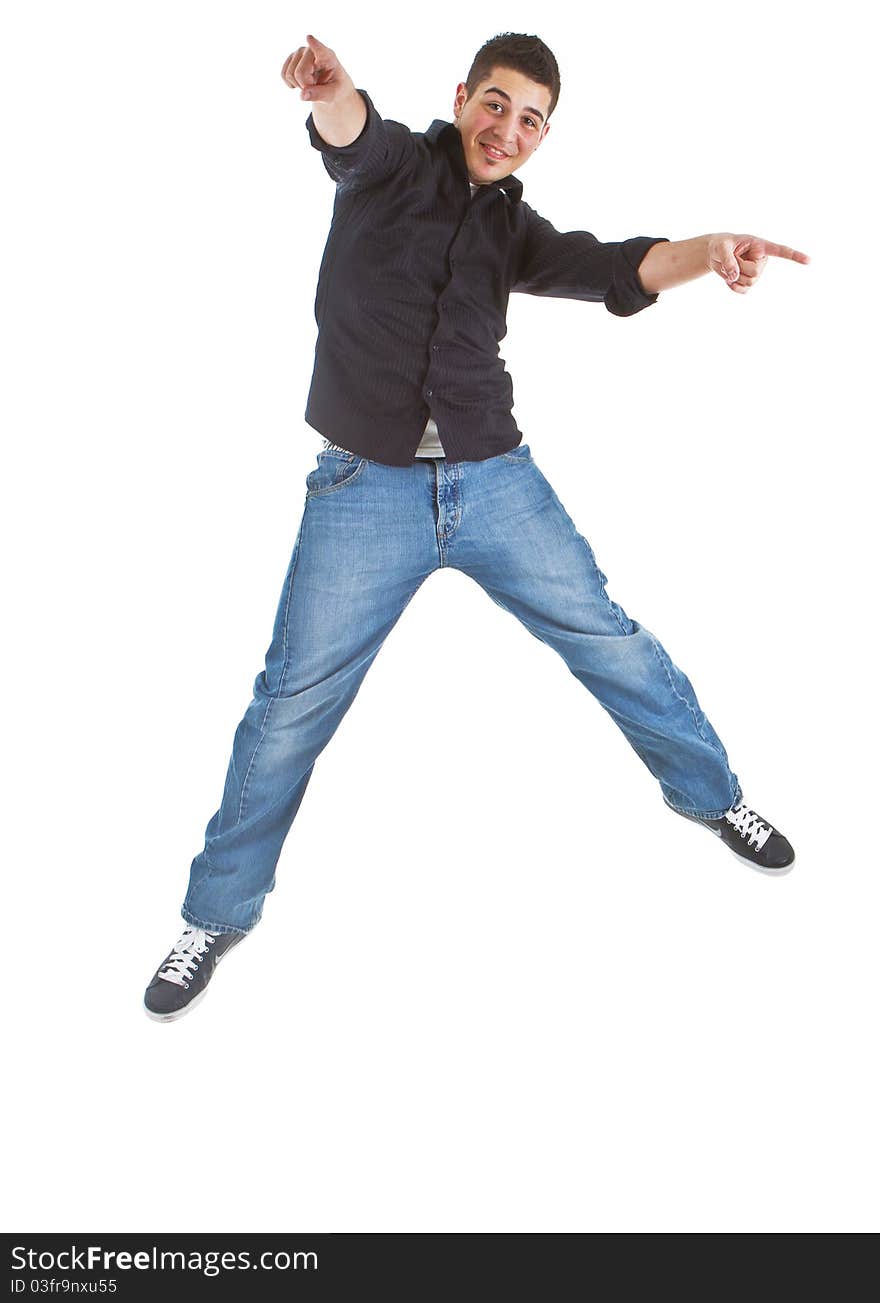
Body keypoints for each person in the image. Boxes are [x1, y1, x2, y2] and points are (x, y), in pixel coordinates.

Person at [144, 32, 808, 1022]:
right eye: (495, 105)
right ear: (463, 98)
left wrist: (708, 254)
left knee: (612, 643)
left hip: (493, 478)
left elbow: (612, 266)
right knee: (287, 705)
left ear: (541, 136)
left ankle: (716, 798)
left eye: (530, 119)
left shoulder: (512, 227)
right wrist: (332, 93)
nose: (508, 130)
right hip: (365, 490)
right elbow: (350, 135)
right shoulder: (396, 168)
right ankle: (215, 912)